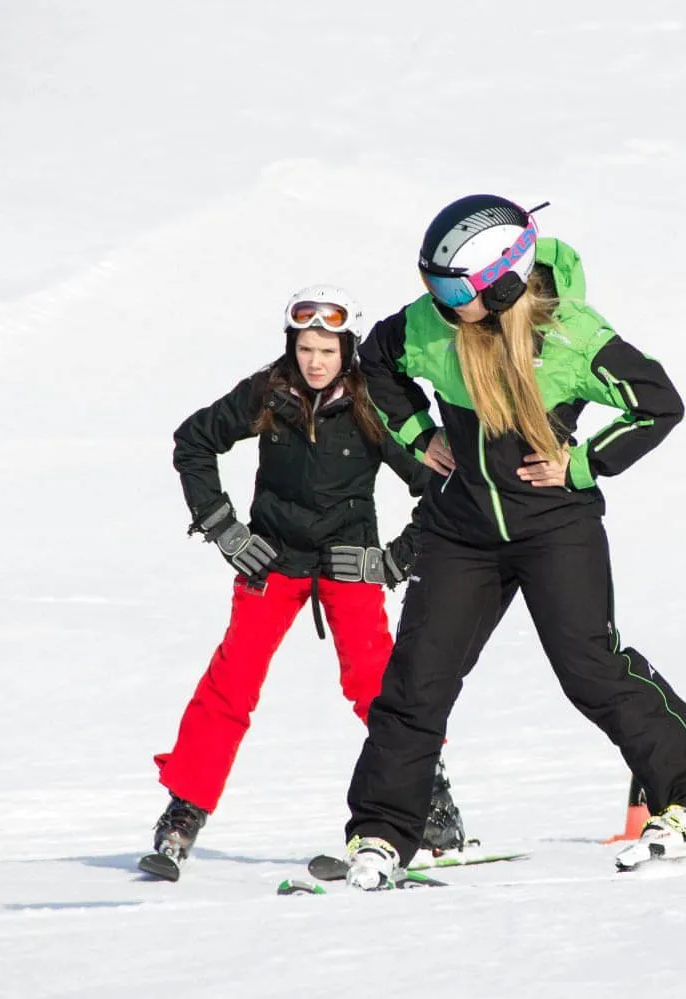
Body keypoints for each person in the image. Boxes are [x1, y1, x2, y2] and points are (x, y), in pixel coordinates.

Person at [340, 194, 686, 890]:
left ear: (504, 282)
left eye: (455, 291)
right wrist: (419, 435)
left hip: (555, 527)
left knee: (592, 671)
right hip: (462, 530)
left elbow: (659, 403)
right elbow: (374, 360)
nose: (441, 303)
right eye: (432, 285)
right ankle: (382, 833)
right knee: (417, 680)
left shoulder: (570, 335)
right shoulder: (430, 324)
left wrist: (583, 464)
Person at [142, 284, 466, 879]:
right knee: (231, 681)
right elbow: (193, 442)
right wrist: (225, 530)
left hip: (348, 562)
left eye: (328, 351)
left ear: (349, 350)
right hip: (274, 562)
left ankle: (430, 795)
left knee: (376, 682)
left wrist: (394, 560)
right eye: (306, 348)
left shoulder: (372, 404)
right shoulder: (268, 392)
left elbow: (441, 487)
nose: (315, 362)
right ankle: (183, 813)